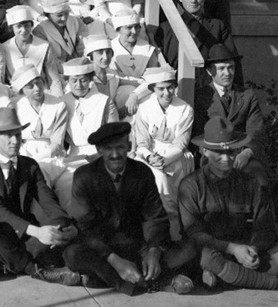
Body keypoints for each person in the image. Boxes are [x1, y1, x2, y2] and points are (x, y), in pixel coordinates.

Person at [63, 122, 195, 296]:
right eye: (109, 148)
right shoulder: (84, 176)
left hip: (137, 246)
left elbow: (155, 217)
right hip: (103, 250)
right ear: (100, 150)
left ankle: (95, 279)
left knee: (189, 249)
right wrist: (116, 262)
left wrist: (154, 251)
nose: (115, 154)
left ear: (128, 146)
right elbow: (86, 228)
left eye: (120, 147)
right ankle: (153, 283)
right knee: (73, 254)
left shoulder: (142, 172)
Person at [178, 117, 278, 292]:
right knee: (205, 257)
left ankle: (227, 276)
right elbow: (195, 234)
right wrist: (232, 249)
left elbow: (265, 226)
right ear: (204, 151)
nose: (226, 158)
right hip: (210, 251)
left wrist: (253, 249)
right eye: (218, 152)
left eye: (231, 151)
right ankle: (276, 283)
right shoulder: (190, 185)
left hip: (245, 251)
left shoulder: (251, 183)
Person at [0, 107, 80, 284]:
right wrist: (36, 231)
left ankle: (2, 266)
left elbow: (47, 199)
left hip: (25, 238)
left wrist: (63, 224)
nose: (15, 141)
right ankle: (35, 270)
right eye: (8, 136)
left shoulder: (30, 165)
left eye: (18, 135)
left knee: (57, 236)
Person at [132, 67, 194, 238]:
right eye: (161, 88)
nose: (166, 92)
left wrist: (165, 160)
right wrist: (150, 156)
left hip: (175, 154)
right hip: (149, 155)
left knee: (172, 183)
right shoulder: (144, 109)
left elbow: (181, 141)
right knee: (158, 179)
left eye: (170, 87)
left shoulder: (185, 109)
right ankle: (157, 231)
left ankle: (176, 231)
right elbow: (142, 142)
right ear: (153, 89)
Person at [192, 44, 267, 185]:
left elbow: (255, 129)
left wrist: (246, 153)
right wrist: (218, 155)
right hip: (211, 155)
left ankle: (259, 207)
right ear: (209, 71)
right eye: (221, 68)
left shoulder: (247, 96)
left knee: (257, 175)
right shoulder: (201, 97)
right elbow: (197, 133)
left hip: (241, 155)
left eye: (231, 67)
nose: (227, 73)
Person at [55, 58, 120, 210]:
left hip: (101, 153)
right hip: (73, 156)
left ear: (90, 80)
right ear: (67, 82)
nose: (79, 85)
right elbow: (58, 135)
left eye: (83, 80)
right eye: (74, 81)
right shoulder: (61, 102)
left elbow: (113, 133)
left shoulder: (103, 101)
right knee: (67, 186)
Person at [154, 0, 241, 86]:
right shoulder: (166, 28)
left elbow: (232, 59)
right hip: (177, 89)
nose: (193, 0)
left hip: (209, 91)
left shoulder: (217, 26)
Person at [12, 64, 68, 187]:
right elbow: (15, 138)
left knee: (39, 172)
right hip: (23, 153)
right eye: (30, 86)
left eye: (39, 83)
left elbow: (57, 143)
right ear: (22, 90)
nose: (37, 88)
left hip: (50, 156)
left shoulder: (58, 105)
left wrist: (34, 161)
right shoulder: (16, 107)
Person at [109, 9, 162, 117]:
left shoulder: (147, 49)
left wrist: (135, 94)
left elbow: (153, 77)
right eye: (128, 27)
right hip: (119, 92)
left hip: (145, 89)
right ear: (118, 29)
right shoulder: (109, 49)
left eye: (137, 26)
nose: (134, 31)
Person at [32, 0, 86, 91]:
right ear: (48, 15)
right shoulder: (40, 31)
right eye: (59, 15)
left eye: (66, 13)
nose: (64, 18)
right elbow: (49, 63)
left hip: (79, 67)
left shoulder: (74, 21)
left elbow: (84, 44)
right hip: (57, 73)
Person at [2, 5, 59, 94]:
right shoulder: (4, 47)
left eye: (27, 25)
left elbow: (54, 78)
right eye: (19, 26)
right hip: (16, 94)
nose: (24, 30)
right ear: (11, 28)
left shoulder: (44, 46)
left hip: (42, 92)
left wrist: (58, 98)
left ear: (32, 25)